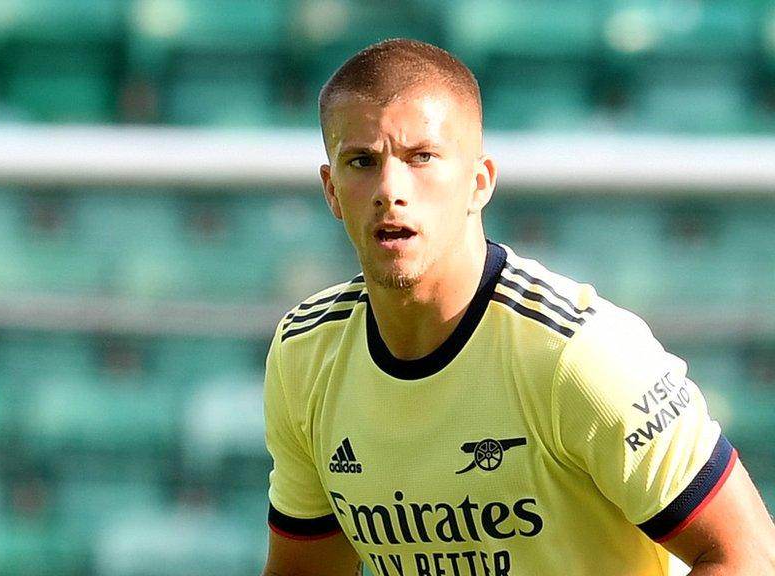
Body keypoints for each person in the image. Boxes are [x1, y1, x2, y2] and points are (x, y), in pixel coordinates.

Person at [261, 38, 775, 576]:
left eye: (422, 158)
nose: (391, 190)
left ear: (479, 183)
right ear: (332, 191)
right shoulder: (305, 352)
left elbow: (749, 556)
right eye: (362, 161)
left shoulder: (577, 354)